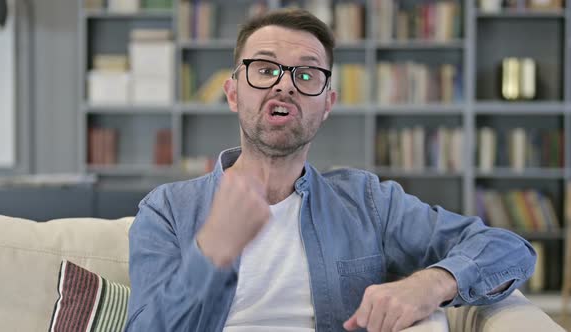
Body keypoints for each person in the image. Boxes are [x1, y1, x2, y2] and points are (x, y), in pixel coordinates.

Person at [125, 8, 536, 332]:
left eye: (306, 74)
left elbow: (509, 249)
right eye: (265, 69)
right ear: (233, 93)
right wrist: (210, 256)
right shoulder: (167, 209)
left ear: (327, 105)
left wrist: (431, 283)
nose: (284, 85)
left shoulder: (368, 202)